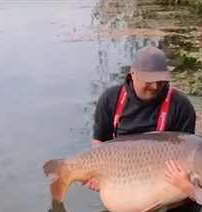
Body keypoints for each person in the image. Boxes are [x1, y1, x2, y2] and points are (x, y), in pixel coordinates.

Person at [84, 45, 196, 191]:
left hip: (164, 181)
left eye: (161, 80)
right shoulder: (110, 99)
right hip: (121, 173)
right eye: (149, 80)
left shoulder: (181, 105)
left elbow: (188, 153)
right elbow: (100, 143)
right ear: (133, 74)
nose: (155, 86)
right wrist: (96, 174)